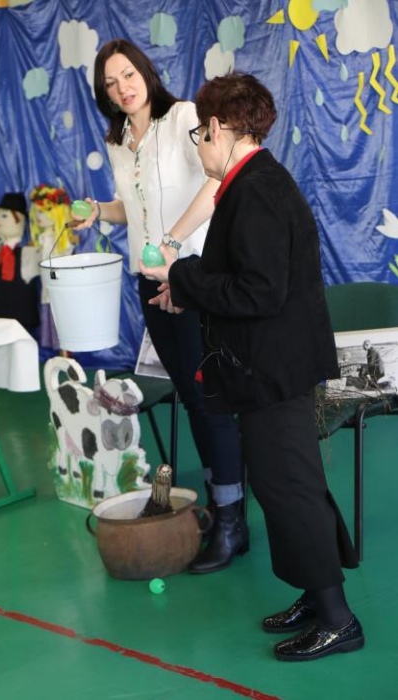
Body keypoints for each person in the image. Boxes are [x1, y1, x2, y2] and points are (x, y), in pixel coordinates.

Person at [139, 72, 364, 661]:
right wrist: (187, 290)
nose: (199, 147)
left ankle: (337, 619)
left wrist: (182, 274)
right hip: (272, 365)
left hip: (275, 369)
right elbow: (246, 278)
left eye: (199, 135)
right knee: (285, 485)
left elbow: (259, 291)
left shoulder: (256, 189)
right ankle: (316, 596)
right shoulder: (253, 183)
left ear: (216, 128)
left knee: (289, 489)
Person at [73, 38, 248, 573]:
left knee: (211, 397)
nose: (122, 88)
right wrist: (100, 211)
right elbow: (136, 207)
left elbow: (216, 183)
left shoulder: (184, 119)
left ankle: (233, 521)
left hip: (193, 276)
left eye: (128, 74)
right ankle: (221, 507)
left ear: (146, 72)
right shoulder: (120, 140)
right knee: (191, 399)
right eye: (111, 83)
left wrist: (172, 243)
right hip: (150, 283)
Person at [29, 184, 73, 349]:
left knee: (63, 318)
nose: (39, 216)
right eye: (37, 212)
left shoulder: (61, 240)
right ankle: (61, 352)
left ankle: (67, 352)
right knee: (52, 315)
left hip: (60, 287)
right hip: (48, 287)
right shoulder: (42, 239)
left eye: (44, 211)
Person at [0, 191, 40, 334]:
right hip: (0, 319)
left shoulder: (29, 253)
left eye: (4, 216)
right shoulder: (0, 252)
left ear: (19, 219)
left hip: (22, 319)